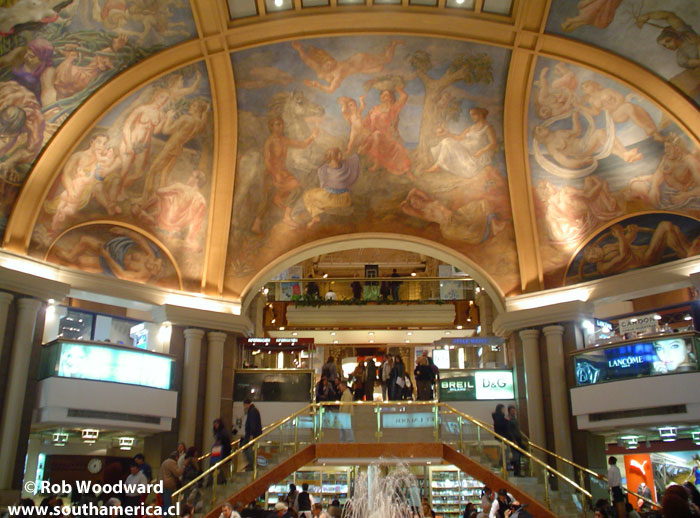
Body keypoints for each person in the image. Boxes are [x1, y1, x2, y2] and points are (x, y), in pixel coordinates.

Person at [251, 116, 319, 233]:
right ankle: (257, 223)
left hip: (284, 173)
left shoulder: (284, 140)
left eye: (281, 124)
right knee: (267, 199)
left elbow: (301, 145)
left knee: (297, 189)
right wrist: (275, 173)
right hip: (272, 173)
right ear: (271, 127)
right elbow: (267, 160)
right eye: (277, 124)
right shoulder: (269, 141)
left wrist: (312, 137)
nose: (280, 127)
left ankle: (286, 217)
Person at [291, 40, 403, 94]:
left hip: (361, 61)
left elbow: (331, 90)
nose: (329, 63)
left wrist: (317, 85)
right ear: (323, 67)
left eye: (329, 60)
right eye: (326, 64)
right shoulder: (328, 71)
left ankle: (393, 44)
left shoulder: (338, 73)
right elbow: (308, 61)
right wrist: (299, 50)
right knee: (380, 69)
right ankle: (388, 48)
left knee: (387, 60)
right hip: (360, 68)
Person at [358, 85, 412, 177]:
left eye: (387, 95)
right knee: (375, 134)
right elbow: (365, 122)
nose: (385, 97)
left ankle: (377, 164)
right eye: (383, 95)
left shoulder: (392, 108)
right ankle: (375, 162)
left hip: (386, 136)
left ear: (392, 97)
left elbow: (404, 97)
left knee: (379, 136)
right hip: (371, 135)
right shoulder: (374, 109)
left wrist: (397, 87)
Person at [427, 107, 498, 177]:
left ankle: (438, 166)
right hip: (465, 149)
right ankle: (438, 165)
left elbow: (493, 144)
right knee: (447, 140)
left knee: (447, 142)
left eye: (473, 114)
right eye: (471, 115)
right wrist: (446, 134)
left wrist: (481, 151)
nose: (472, 117)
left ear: (480, 114)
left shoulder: (488, 128)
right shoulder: (471, 128)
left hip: (475, 153)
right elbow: (459, 138)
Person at [302, 148, 360, 229]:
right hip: (345, 199)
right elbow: (355, 158)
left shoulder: (324, 169)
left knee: (307, 195)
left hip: (330, 198)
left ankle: (316, 216)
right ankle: (319, 214)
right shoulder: (346, 165)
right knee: (319, 195)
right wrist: (359, 152)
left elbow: (322, 184)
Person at [243, 399, 262, 471]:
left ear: (246, 404)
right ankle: (251, 463)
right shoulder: (253, 411)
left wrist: (251, 434)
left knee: (249, 449)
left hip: (252, 435)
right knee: (247, 448)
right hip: (252, 434)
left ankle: (252, 464)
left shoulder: (252, 411)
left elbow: (252, 424)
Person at [506, 405, 524, 476]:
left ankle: (517, 471)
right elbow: (510, 430)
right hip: (514, 439)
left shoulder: (514, 419)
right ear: (509, 411)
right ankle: (516, 471)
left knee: (518, 455)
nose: (514, 411)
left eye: (514, 410)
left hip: (518, 438)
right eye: (512, 410)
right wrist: (513, 439)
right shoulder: (509, 419)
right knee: (516, 455)